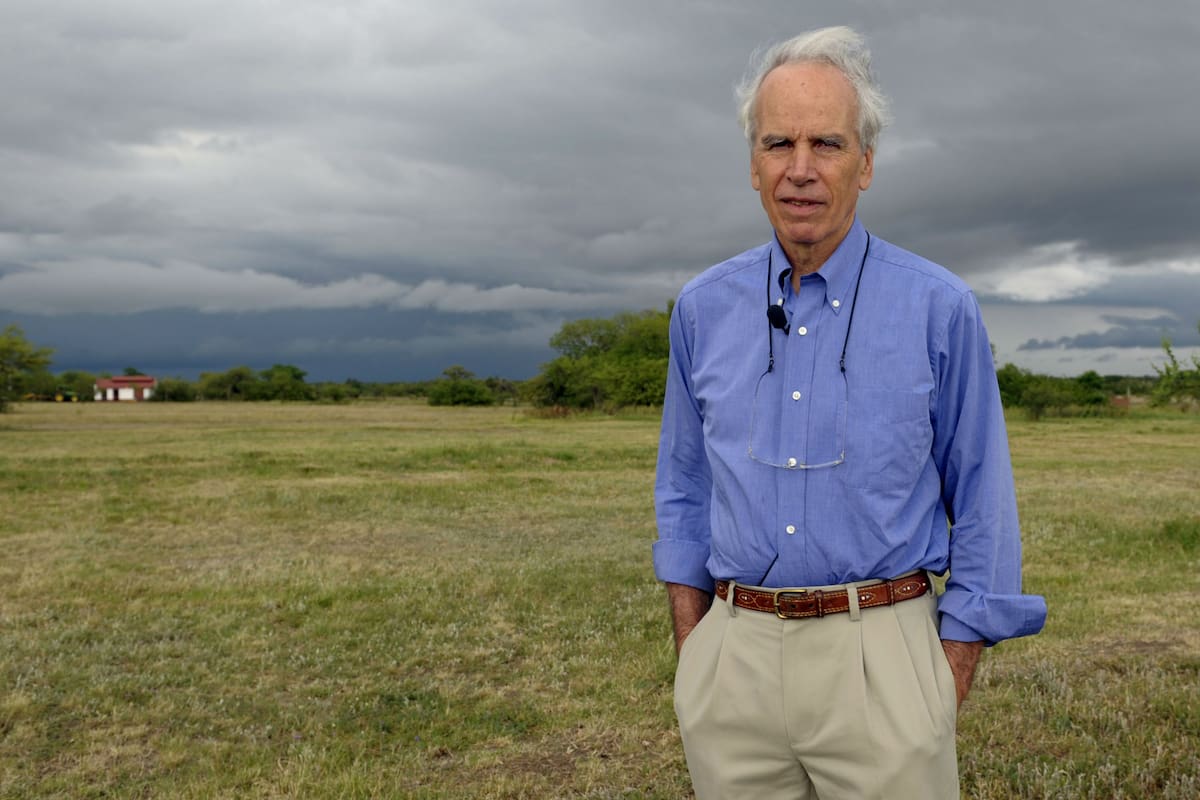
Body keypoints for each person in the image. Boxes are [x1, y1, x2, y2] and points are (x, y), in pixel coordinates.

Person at [653, 26, 1047, 799]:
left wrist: (946, 672)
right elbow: (684, 487)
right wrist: (697, 653)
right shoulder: (702, 309)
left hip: (884, 660)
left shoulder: (940, 308)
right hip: (735, 663)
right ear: (753, 164)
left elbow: (984, 499)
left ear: (864, 164)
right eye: (778, 144)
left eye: (826, 143)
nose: (800, 170)